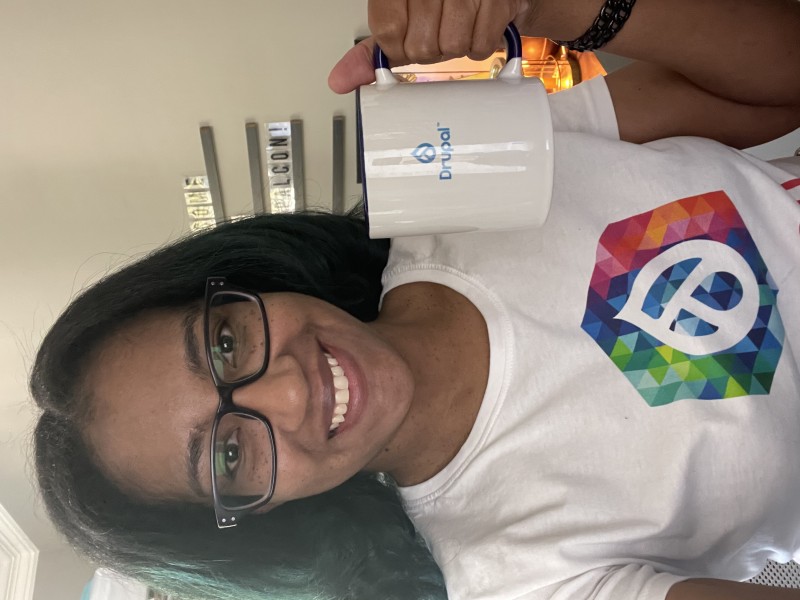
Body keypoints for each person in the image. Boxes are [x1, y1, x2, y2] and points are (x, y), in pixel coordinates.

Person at [30, 0, 800, 599]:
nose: (290, 389)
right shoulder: (514, 575)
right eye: (231, 453)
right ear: (258, 522)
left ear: (240, 285)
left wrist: (554, 8)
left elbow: (777, 85)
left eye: (226, 344)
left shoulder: (450, 177)